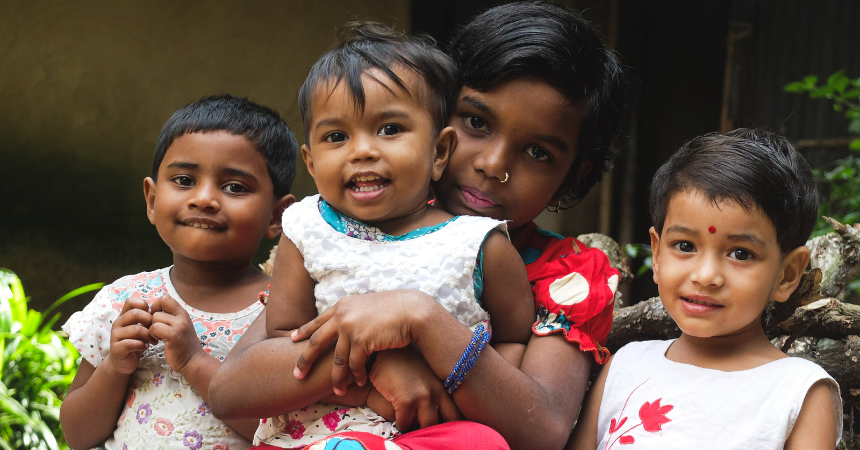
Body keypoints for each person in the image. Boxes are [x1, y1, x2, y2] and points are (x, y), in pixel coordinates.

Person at [209, 3, 629, 449]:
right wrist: (374, 363)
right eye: (476, 122)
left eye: (539, 153)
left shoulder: (564, 276)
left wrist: (422, 318)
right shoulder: (342, 232)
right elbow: (232, 387)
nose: (493, 165)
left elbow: (541, 430)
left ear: (575, 174)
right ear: (435, 113)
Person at [250, 21, 536, 449]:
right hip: (319, 430)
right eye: (336, 136)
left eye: (389, 129)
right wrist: (375, 373)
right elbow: (284, 343)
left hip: (438, 431)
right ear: (310, 162)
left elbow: (514, 338)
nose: (362, 150)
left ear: (439, 151)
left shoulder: (479, 244)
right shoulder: (307, 230)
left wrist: (464, 398)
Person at [568, 129, 843, 450]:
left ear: (787, 274)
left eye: (741, 253)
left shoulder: (798, 392)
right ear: (657, 255)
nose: (706, 275)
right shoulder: (624, 368)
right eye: (684, 245)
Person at [59, 95, 298, 450]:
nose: (203, 198)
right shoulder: (124, 299)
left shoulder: (284, 310)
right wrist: (115, 368)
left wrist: (193, 361)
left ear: (277, 216)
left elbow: (287, 433)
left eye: (234, 187)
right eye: (184, 180)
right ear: (152, 200)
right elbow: (78, 436)